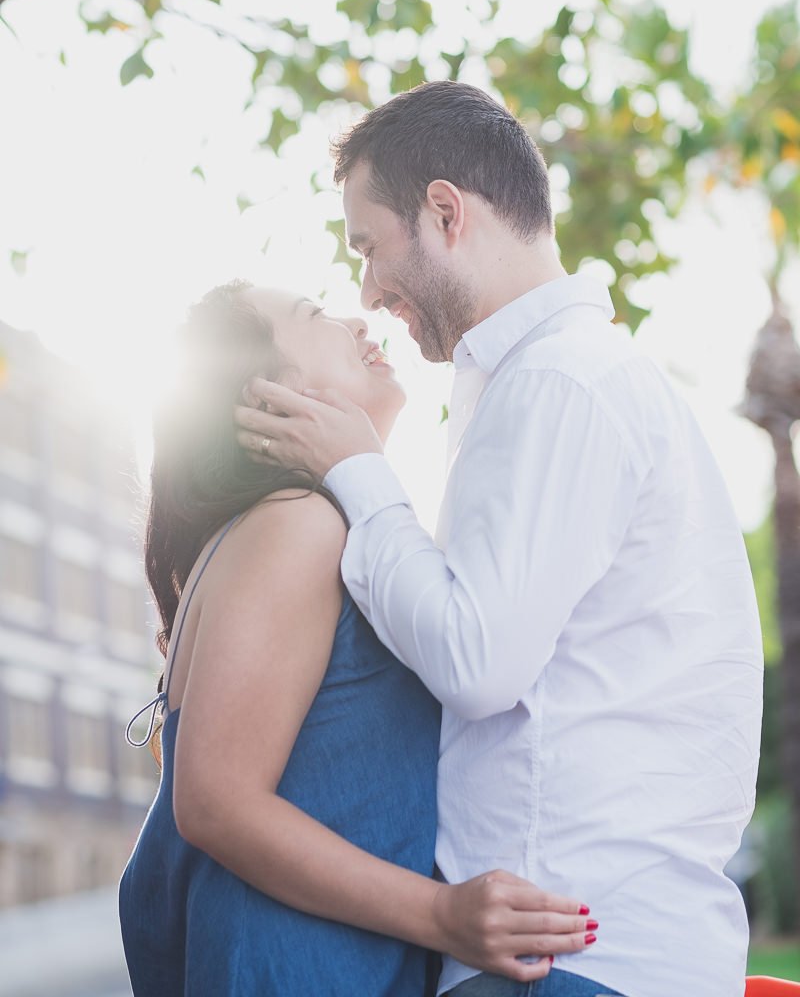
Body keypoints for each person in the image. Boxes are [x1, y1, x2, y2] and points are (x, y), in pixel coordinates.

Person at [235, 81, 765, 997]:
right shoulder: (538, 381)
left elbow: (477, 661)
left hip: (570, 959)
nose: (367, 288)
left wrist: (359, 473)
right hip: (570, 954)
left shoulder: (559, 381)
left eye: (370, 246)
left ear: (444, 211)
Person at [119, 280, 595, 997]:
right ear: (271, 394)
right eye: (316, 317)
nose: (356, 319)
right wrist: (446, 915)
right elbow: (215, 800)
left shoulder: (282, 531)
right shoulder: (295, 523)